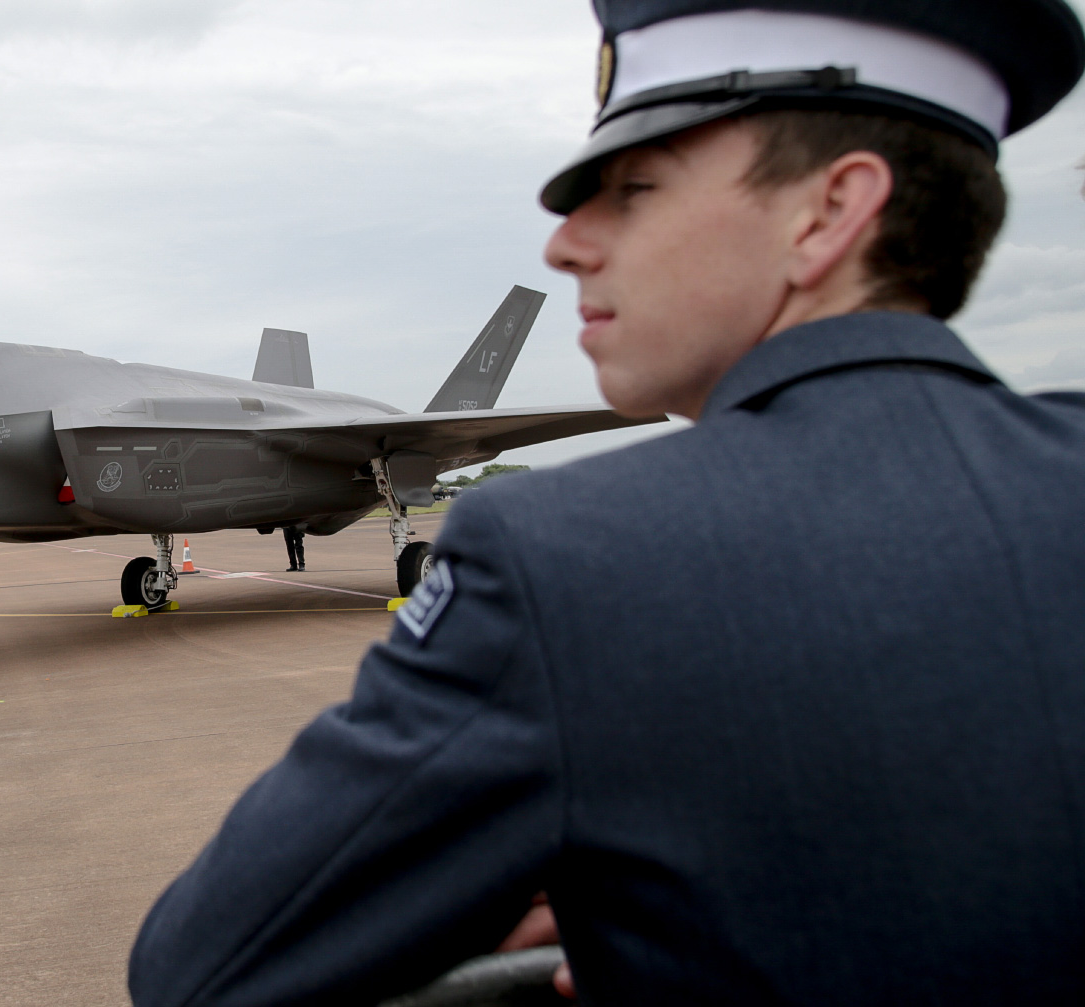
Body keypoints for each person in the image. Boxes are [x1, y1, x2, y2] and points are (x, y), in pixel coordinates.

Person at [127, 2, 1085, 1005]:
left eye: (635, 187)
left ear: (830, 210)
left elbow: (200, 972)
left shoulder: (562, 557)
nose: (567, 245)